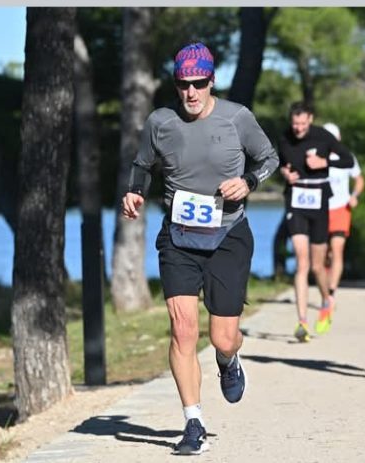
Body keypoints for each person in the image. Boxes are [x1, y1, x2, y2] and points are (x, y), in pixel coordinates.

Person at [121, 42, 279, 455]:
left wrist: (247, 183)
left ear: (211, 81)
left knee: (223, 337)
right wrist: (135, 193)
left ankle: (229, 360)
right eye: (183, 84)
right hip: (178, 237)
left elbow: (268, 158)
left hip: (228, 235)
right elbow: (141, 165)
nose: (191, 92)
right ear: (175, 84)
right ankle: (193, 422)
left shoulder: (237, 118)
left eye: (199, 83)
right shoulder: (161, 121)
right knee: (183, 329)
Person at [278, 102, 354, 342]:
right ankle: (302, 322)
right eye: (295, 124)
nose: (298, 128)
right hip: (296, 200)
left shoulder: (324, 137)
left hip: (319, 201)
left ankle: (326, 299)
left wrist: (324, 163)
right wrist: (284, 173)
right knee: (302, 262)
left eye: (302, 124)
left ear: (310, 119)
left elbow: (348, 160)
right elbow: (280, 162)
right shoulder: (284, 137)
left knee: (317, 266)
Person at [323, 122, 365, 298]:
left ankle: (331, 292)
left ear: (338, 138)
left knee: (337, 249)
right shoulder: (315, 158)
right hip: (321, 210)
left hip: (341, 207)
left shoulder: (347, 157)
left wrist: (354, 195)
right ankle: (324, 290)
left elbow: (359, 179)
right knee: (324, 253)